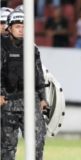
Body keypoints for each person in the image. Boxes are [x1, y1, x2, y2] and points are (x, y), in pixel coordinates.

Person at [0, 10, 48, 160]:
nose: (21, 29)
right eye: (17, 26)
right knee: (8, 147)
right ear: (9, 28)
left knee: (37, 141)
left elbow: (39, 75)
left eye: (24, 26)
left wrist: (42, 98)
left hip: (30, 101)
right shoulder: (2, 48)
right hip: (8, 102)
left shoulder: (32, 49)